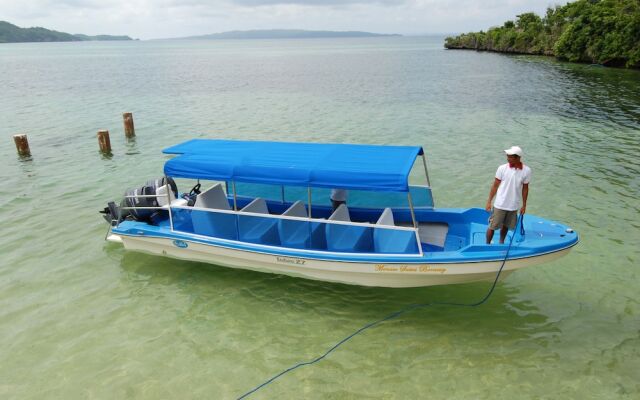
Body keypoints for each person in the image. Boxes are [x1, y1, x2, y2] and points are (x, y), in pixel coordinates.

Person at [485, 146, 531, 244]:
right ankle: (487, 244)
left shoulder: (527, 171)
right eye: (507, 156)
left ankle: (501, 242)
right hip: (500, 204)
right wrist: (489, 201)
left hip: (513, 205)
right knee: (492, 226)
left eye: (510, 157)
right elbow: (495, 186)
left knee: (506, 226)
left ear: (518, 158)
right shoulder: (502, 168)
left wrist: (524, 205)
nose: (507, 158)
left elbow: (525, 189)